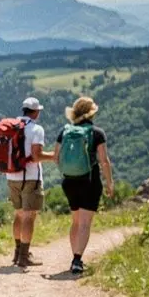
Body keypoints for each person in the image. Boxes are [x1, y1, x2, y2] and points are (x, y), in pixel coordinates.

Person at [54, 95, 114, 276]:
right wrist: (109, 182)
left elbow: (56, 157)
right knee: (85, 223)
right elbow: (104, 161)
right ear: (91, 113)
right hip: (89, 180)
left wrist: (70, 169)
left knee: (76, 221)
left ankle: (75, 256)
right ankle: (77, 259)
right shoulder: (97, 133)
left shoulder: (65, 131)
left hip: (69, 181)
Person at [6, 95, 56, 269]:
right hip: (30, 177)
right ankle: (24, 256)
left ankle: (17, 252)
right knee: (29, 216)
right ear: (35, 112)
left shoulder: (11, 126)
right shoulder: (36, 129)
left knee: (18, 214)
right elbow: (36, 156)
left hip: (11, 176)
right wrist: (54, 156)